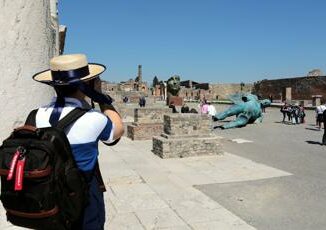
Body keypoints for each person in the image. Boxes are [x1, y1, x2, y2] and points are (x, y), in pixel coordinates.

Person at [32, 54, 124, 229]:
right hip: (84, 199)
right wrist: (100, 98)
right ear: (86, 85)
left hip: (47, 199)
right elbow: (117, 130)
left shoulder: (35, 115)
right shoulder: (93, 119)